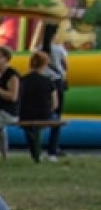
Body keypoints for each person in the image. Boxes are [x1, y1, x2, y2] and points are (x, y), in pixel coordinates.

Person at [17, 50, 61, 162]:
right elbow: (55, 104)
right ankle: (52, 152)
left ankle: (35, 153)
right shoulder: (49, 82)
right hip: (44, 115)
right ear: (45, 64)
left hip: (25, 115)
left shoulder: (22, 80)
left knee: (30, 128)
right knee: (56, 123)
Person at [40, 28, 67, 160]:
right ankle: (52, 149)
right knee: (57, 117)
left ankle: (38, 147)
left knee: (41, 114)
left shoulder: (38, 49)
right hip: (57, 82)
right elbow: (65, 67)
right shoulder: (59, 49)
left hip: (42, 83)